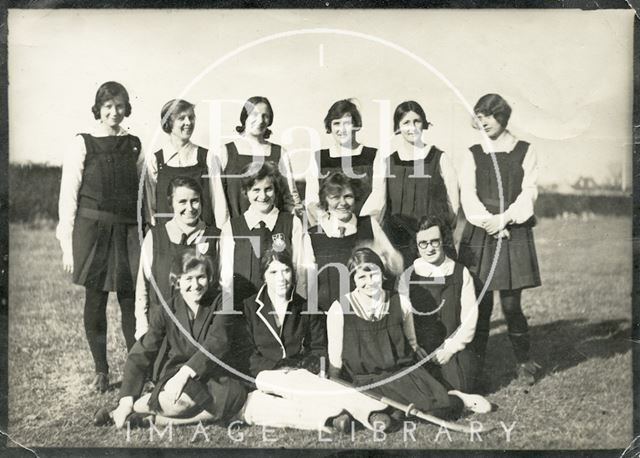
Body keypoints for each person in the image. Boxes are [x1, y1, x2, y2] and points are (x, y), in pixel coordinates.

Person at [230, 250, 392, 433]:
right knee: (259, 405)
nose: (281, 278)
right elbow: (245, 353)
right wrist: (281, 368)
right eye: (273, 272)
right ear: (264, 277)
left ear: (293, 273)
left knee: (289, 392)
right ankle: (349, 414)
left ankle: (354, 415)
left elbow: (318, 348)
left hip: (300, 377)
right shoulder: (248, 307)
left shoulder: (307, 307)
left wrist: (306, 368)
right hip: (262, 376)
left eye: (286, 271)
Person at [327, 248, 490, 423]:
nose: (369, 282)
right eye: (361, 277)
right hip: (365, 381)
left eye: (373, 274)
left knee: (440, 407)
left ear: (382, 274)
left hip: (399, 375)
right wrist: (334, 388)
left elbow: (411, 341)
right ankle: (391, 415)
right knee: (370, 407)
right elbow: (335, 357)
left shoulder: (400, 302)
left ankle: (455, 399)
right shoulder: (340, 308)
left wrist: (420, 364)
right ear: (353, 280)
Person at [97, 249, 247, 428]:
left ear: (209, 278)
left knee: (228, 398)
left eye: (201, 277)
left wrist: (186, 373)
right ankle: (129, 409)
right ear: (177, 281)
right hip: (176, 375)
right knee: (182, 402)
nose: (196, 284)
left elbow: (217, 342)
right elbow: (142, 352)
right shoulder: (165, 310)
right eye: (188, 279)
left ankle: (148, 416)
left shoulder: (222, 302)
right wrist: (125, 401)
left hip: (214, 374)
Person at [57, 81, 143, 392]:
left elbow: (145, 190)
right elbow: (69, 196)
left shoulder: (134, 144)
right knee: (95, 301)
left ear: (126, 108)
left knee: (131, 301)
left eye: (119, 106)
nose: (114, 112)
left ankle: (135, 370)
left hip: (127, 231)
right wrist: (68, 246)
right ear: (99, 109)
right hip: (91, 232)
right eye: (108, 106)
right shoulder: (83, 143)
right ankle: (101, 371)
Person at [458, 93, 542, 386]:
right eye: (479, 118)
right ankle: (477, 370)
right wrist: (489, 222)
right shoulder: (472, 152)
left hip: (513, 229)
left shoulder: (525, 150)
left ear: (502, 117)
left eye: (489, 116)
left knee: (510, 305)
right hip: (482, 231)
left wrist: (505, 219)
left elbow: (529, 191)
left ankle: (524, 362)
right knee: (481, 305)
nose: (484, 123)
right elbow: (467, 194)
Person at [398, 215, 479, 393]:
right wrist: (414, 346)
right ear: (417, 246)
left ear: (444, 241)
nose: (429, 248)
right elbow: (404, 316)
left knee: (459, 387)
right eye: (423, 243)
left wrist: (450, 349)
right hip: (420, 350)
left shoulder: (460, 272)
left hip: (452, 347)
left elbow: (469, 319)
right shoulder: (408, 275)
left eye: (434, 242)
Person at [134, 176, 219, 341]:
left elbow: (223, 286)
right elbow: (142, 286)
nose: (190, 208)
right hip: (161, 331)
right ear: (171, 203)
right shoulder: (155, 236)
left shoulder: (215, 236)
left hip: (202, 332)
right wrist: (142, 327)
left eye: (195, 201)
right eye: (182, 202)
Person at [307, 171, 403, 313]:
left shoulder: (369, 225)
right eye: (335, 197)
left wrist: (382, 257)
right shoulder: (312, 235)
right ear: (325, 200)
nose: (343, 203)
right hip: (326, 315)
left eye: (348, 196)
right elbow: (306, 283)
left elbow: (396, 266)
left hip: (366, 314)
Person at [218, 161, 313, 303]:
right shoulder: (231, 228)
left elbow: (301, 269)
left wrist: (299, 305)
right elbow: (225, 276)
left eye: (268, 189)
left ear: (276, 190)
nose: (263, 196)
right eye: (256, 190)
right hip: (244, 308)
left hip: (283, 306)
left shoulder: (292, 223)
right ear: (246, 192)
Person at [379, 101, 459, 265]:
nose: (412, 127)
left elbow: (454, 207)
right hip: (399, 243)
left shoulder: (440, 158)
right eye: (406, 122)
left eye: (417, 121)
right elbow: (381, 205)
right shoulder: (387, 162)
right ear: (397, 127)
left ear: (424, 124)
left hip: (433, 243)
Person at [211, 96, 302, 222]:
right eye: (254, 114)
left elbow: (291, 197)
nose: (260, 120)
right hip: (237, 232)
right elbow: (219, 200)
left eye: (265, 116)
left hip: (274, 233)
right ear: (245, 117)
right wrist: (225, 233)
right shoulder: (225, 152)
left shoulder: (280, 153)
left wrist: (293, 229)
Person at [144, 99, 227, 228]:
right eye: (181, 118)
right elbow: (151, 207)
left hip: (203, 237)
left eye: (191, 117)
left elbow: (219, 203)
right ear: (168, 122)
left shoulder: (208, 157)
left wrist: (222, 236)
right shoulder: (155, 160)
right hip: (167, 239)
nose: (188, 122)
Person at [305, 99, 385, 226]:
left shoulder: (373, 156)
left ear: (356, 125)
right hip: (328, 232)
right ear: (329, 127)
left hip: (364, 230)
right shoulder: (319, 158)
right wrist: (329, 224)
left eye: (347, 123)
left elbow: (379, 197)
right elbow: (311, 200)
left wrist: (360, 226)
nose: (342, 129)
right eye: (336, 123)